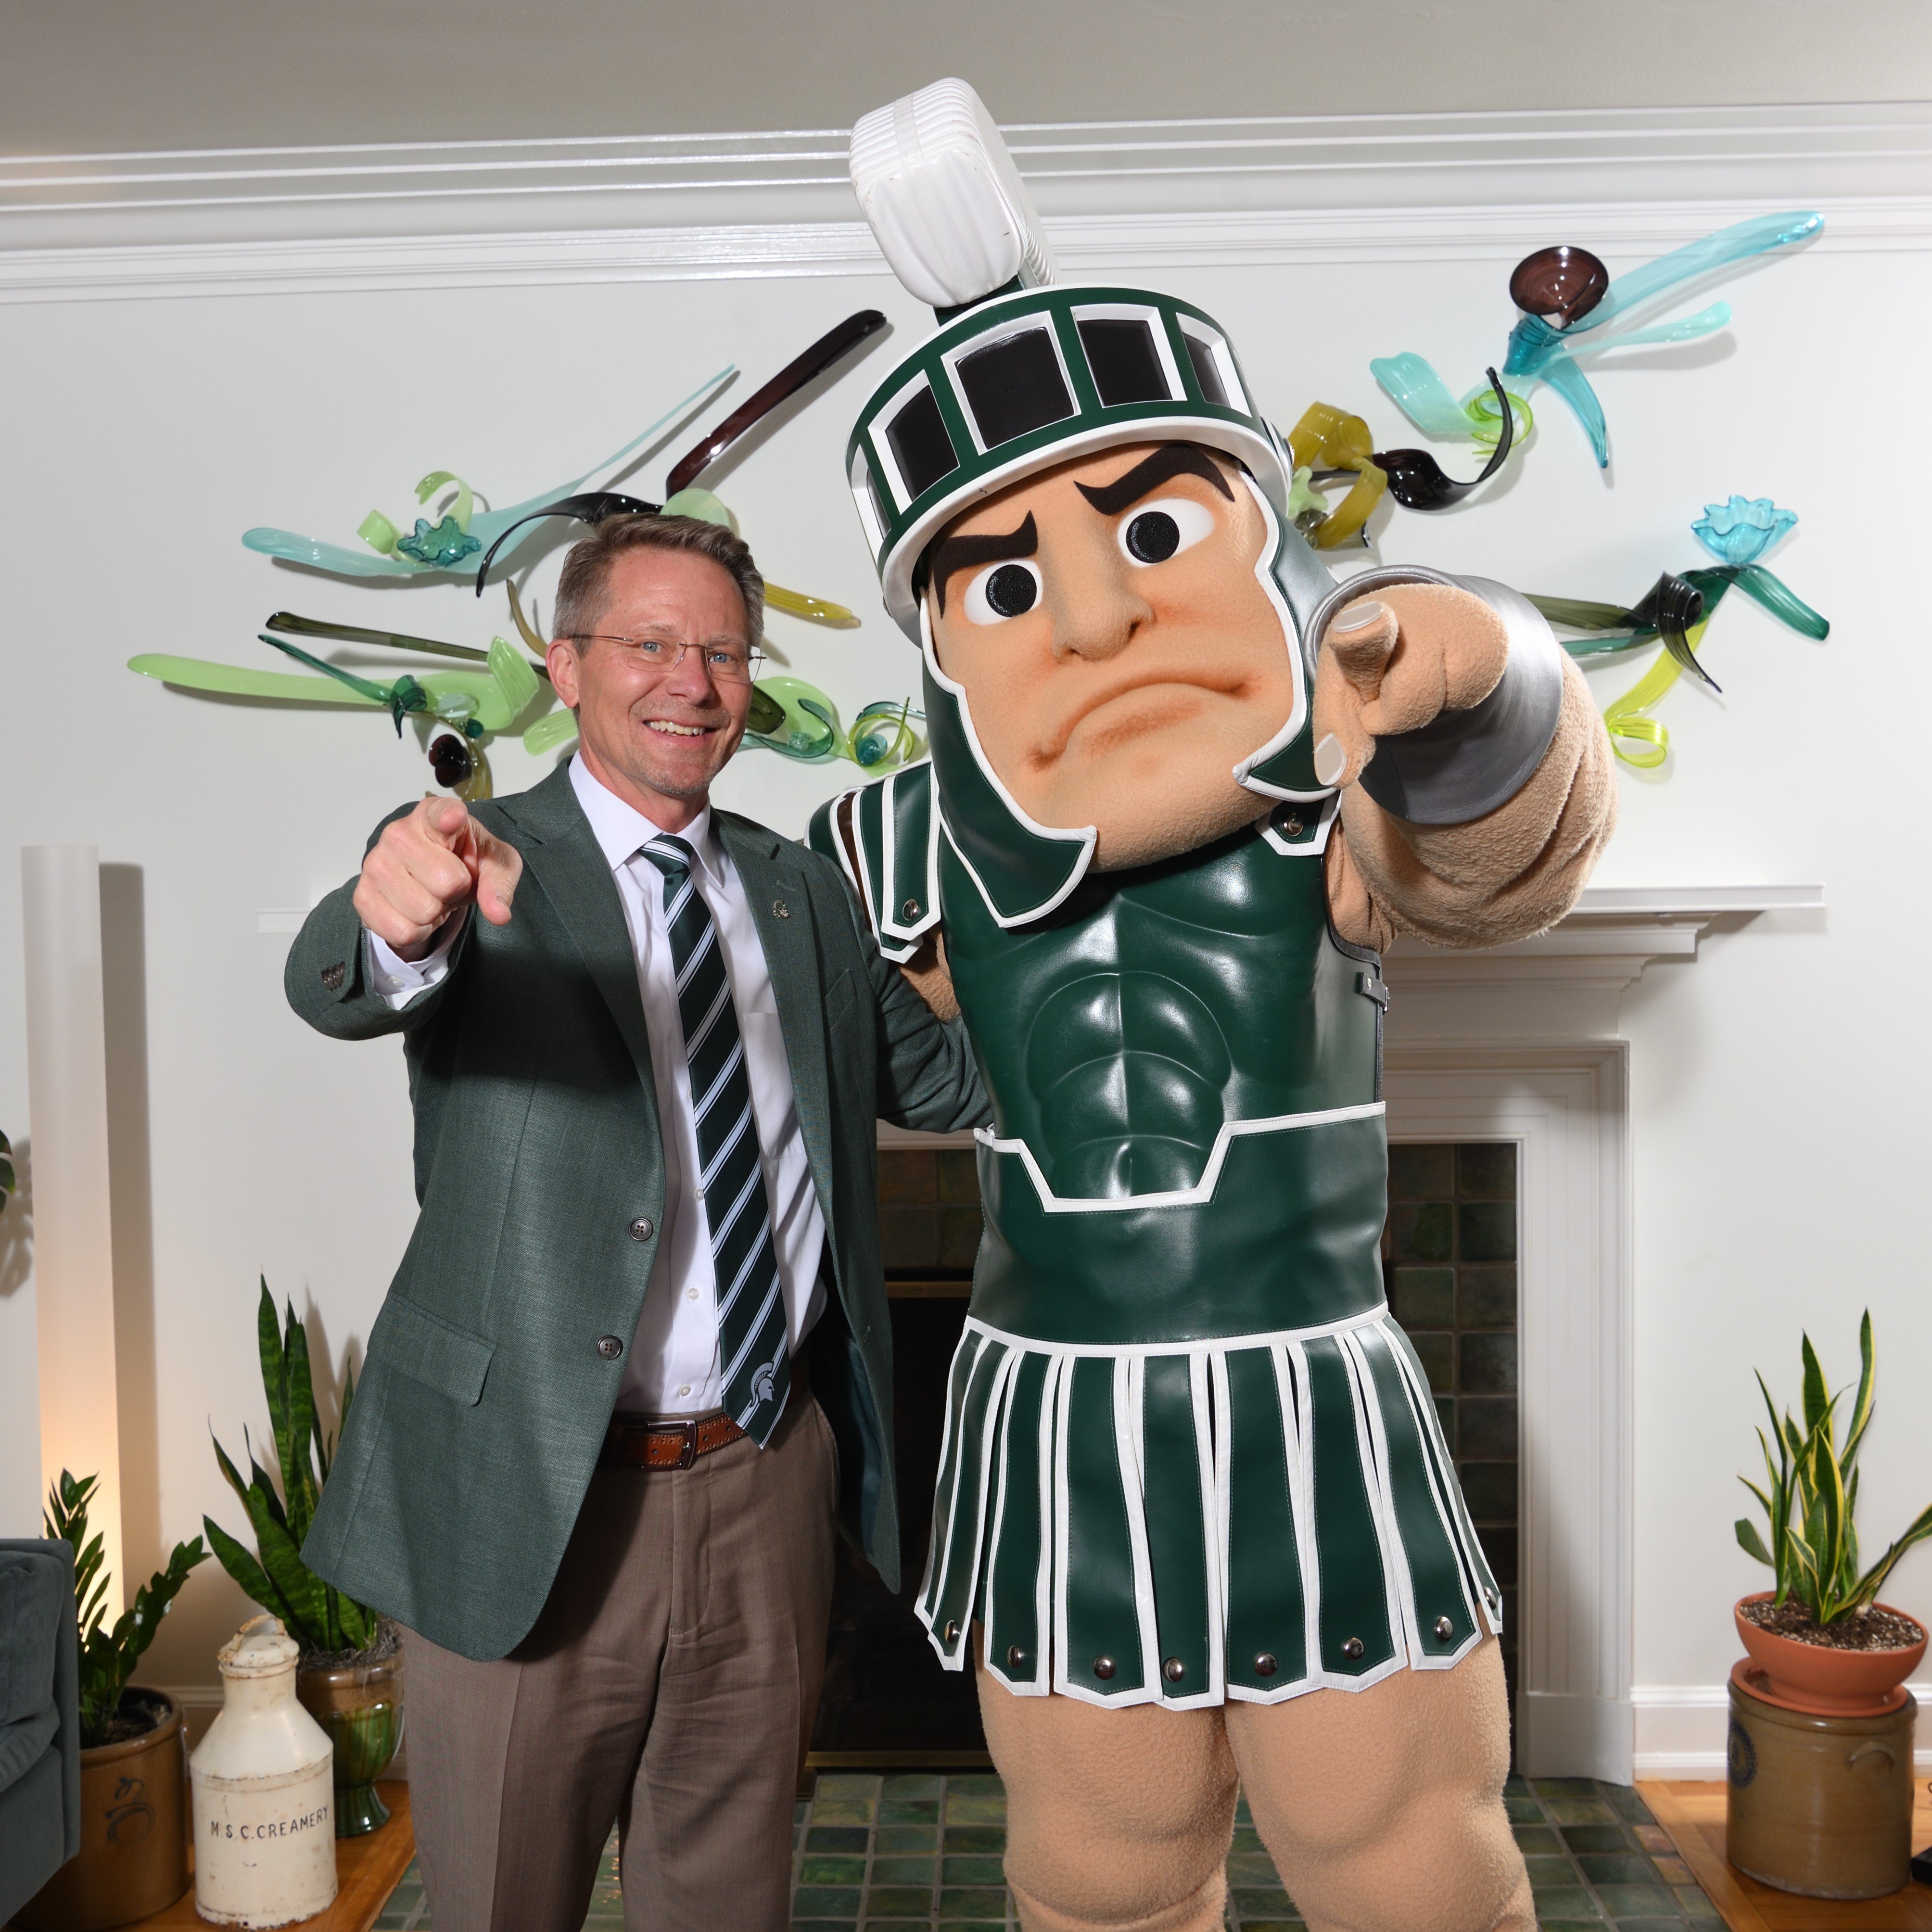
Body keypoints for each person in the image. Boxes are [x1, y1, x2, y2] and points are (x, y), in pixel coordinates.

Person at [811, 79, 1617, 1932]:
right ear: (940, 639)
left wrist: (1474, 667)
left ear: (1248, 533)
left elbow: (1510, 840)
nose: (1091, 617)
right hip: (1058, 1432)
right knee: (1099, 1880)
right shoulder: (895, 853)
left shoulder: (1345, 781)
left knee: (1408, 1869)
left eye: (1148, 535)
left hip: (1305, 1404)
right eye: (1010, 577)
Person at [286, 512, 987, 1932]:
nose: (693, 681)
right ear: (565, 667)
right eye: (652, 644)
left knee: (730, 1905)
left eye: (724, 651)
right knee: (500, 1908)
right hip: (528, 1495)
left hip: (762, 1479)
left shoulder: (803, 891)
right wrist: (399, 920)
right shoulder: (483, 856)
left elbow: (954, 1080)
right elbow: (345, 973)